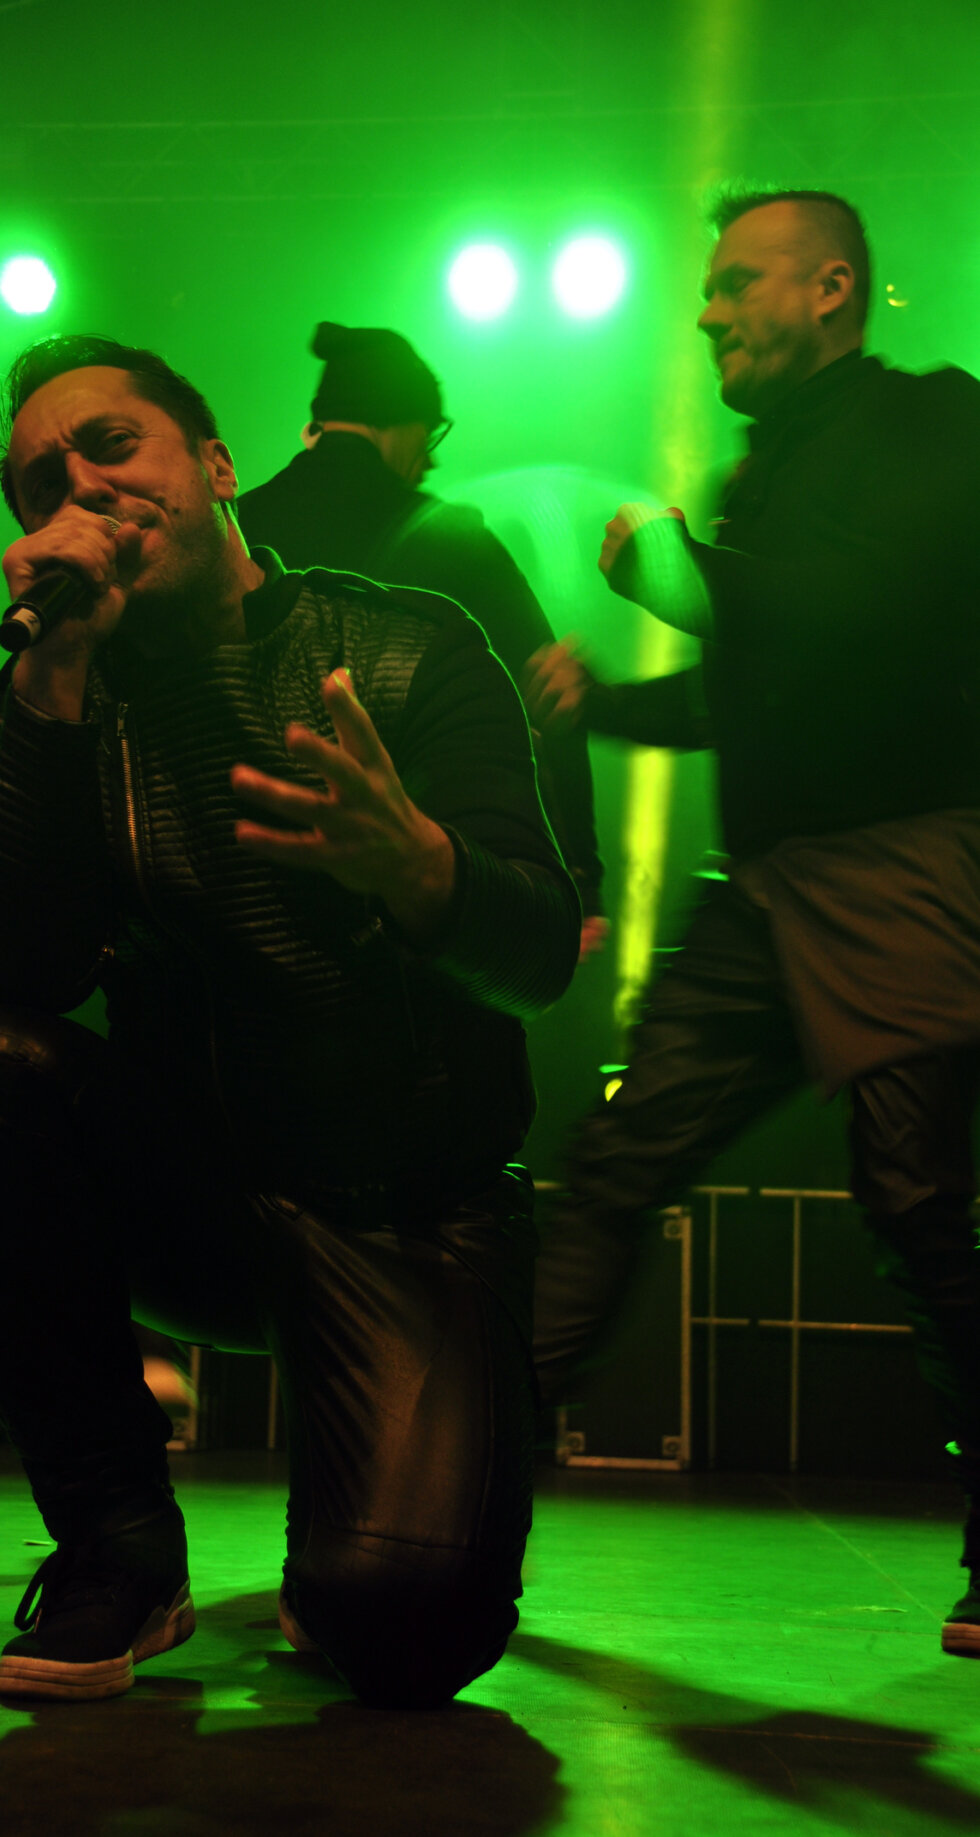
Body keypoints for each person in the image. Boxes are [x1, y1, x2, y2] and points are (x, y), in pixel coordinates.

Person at [0, 333, 580, 1710]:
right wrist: (53, 680)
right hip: (200, 1200)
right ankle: (118, 1549)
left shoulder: (408, 644)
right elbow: (19, 971)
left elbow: (535, 955)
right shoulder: (52, 698)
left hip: (406, 1211)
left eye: (112, 445)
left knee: (399, 1630)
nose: (82, 489)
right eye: (42, 483)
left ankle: (358, 1522)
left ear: (215, 466)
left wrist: (418, 866)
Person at [522, 188, 980, 1654]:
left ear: (828, 288)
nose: (707, 311)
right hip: (771, 885)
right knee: (616, 1160)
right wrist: (615, 703)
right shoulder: (757, 473)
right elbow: (764, 683)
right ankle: (453, 1494)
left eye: (735, 283)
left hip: (903, 865)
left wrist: (676, 575)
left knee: (918, 1207)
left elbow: (865, 615)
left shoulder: (934, 422)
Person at [238, 321, 607, 951]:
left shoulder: (241, 526)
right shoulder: (454, 539)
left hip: (247, 881)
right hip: (416, 899)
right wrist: (580, 876)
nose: (431, 458)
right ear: (397, 424)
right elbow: (551, 695)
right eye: (428, 434)